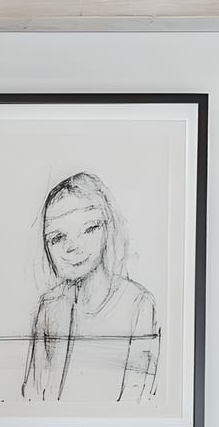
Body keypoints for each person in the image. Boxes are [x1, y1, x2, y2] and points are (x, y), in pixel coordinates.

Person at [22, 171, 159, 409]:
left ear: (108, 228)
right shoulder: (49, 307)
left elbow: (139, 397)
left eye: (88, 229)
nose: (72, 247)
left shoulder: (139, 304)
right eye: (57, 238)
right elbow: (33, 393)